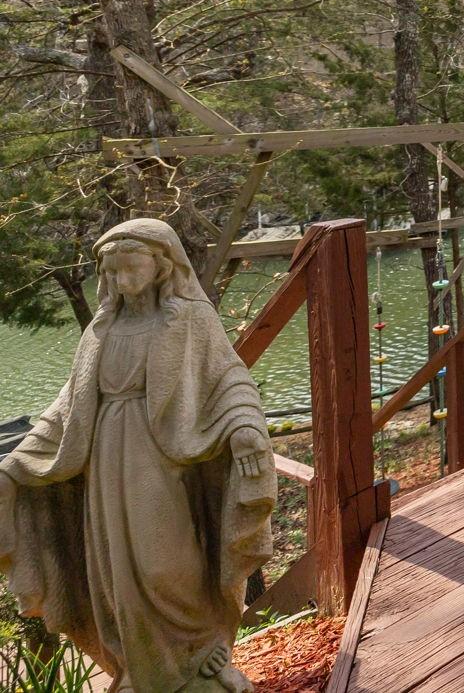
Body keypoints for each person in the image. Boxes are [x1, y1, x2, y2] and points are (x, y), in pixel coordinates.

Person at [0, 218, 275, 692]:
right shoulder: (101, 332)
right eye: (113, 272)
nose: (122, 281)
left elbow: (230, 380)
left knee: (167, 566)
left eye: (132, 268)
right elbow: (70, 406)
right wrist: (16, 464)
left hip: (162, 462)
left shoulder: (191, 319)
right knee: (114, 575)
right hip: (106, 459)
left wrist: (246, 429)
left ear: (161, 266)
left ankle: (202, 650)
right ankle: (137, 671)